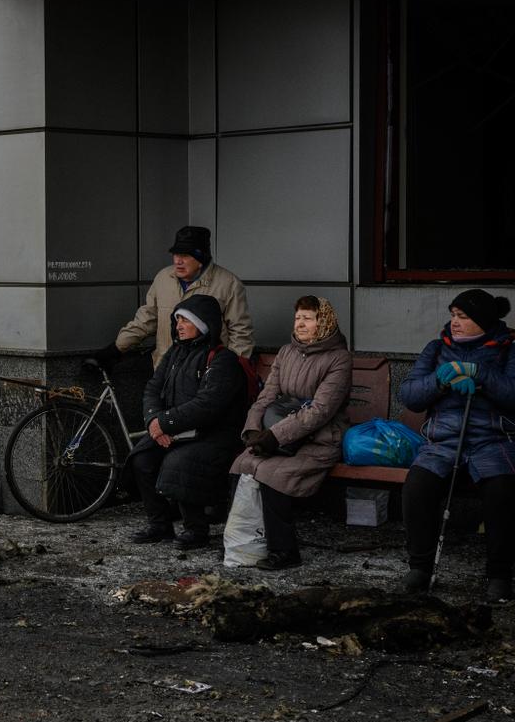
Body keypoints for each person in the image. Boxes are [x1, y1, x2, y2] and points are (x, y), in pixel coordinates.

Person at [398, 290, 515, 603]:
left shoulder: (510, 352)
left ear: (484, 321)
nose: (454, 322)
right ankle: (420, 567)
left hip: (496, 440)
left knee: (501, 490)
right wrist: (440, 380)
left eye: (463, 316)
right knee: (417, 486)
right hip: (445, 440)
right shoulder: (436, 349)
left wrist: (480, 374)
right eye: (453, 315)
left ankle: (499, 575)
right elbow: (410, 395)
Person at [228, 296, 352, 570]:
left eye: (308, 318)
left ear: (324, 321)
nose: (300, 324)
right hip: (280, 436)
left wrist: (274, 436)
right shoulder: (287, 352)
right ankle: (244, 544)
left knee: (274, 474)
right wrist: (253, 429)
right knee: (242, 464)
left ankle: (283, 551)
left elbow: (319, 411)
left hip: (320, 439)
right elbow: (266, 396)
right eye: (297, 318)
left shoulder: (339, 358)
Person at [128, 294, 248, 549]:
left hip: (213, 434)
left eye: (185, 320)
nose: (178, 326)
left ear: (203, 324)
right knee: (141, 458)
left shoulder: (222, 359)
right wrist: (154, 421)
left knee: (179, 462)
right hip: (176, 429)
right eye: (178, 320)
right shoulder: (175, 352)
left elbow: (207, 405)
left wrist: (165, 423)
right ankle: (159, 525)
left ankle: (196, 529)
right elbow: (152, 389)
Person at [112, 226, 254, 367]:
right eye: (176, 254)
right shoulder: (163, 278)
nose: (178, 261)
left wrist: (230, 369)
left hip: (206, 371)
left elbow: (241, 334)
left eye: (185, 255)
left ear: (201, 258)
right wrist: (117, 347)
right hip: (165, 370)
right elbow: (147, 320)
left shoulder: (228, 284)